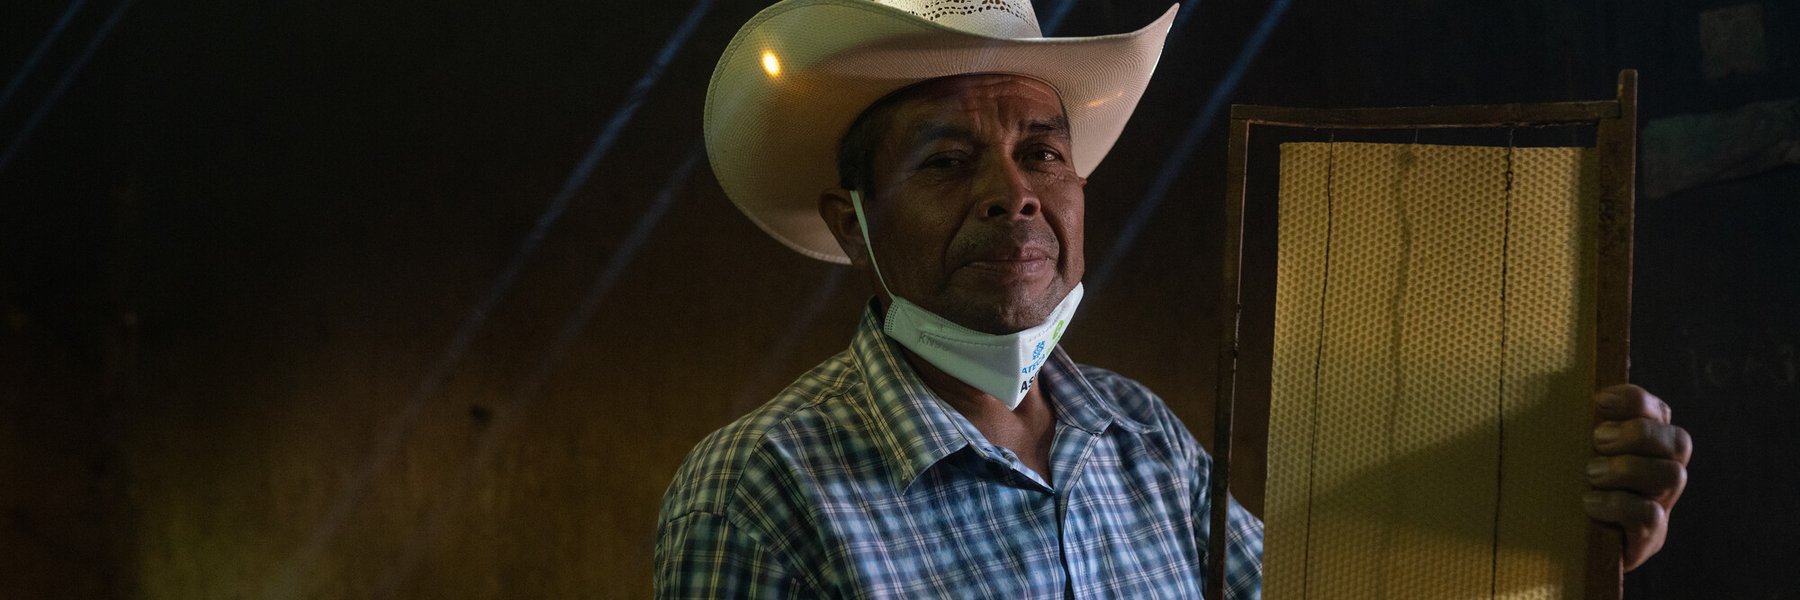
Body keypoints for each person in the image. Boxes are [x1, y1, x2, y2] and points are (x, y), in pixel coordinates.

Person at [656, 1, 1692, 597]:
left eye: (1041, 153)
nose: (1013, 194)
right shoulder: (760, 488)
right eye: (946, 162)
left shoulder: (1138, 437)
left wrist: (1566, 538)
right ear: (853, 224)